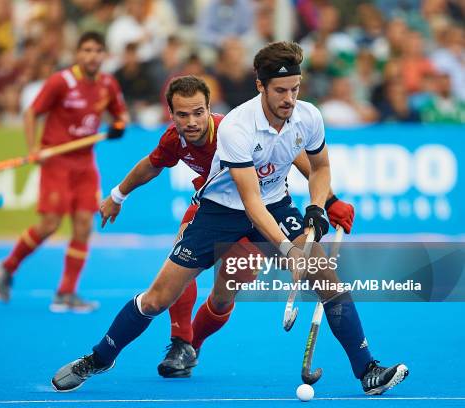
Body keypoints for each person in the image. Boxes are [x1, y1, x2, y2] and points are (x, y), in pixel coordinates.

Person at [51, 42, 409, 395]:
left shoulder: (308, 115)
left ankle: (367, 370)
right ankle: (100, 357)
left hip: (278, 205)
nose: (289, 98)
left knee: (328, 281)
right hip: (221, 211)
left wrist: (320, 203)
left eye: (295, 89)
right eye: (280, 90)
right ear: (260, 87)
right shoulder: (237, 126)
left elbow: (319, 166)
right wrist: (288, 250)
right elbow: (250, 203)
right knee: (157, 298)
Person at [99, 75, 355, 378]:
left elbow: (298, 155)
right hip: (211, 209)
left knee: (224, 295)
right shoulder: (175, 137)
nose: (192, 122)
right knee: (180, 263)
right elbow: (152, 164)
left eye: (198, 113)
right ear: (172, 114)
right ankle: (180, 341)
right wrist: (118, 195)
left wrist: (330, 199)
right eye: (183, 114)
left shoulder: (231, 129)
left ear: (209, 109)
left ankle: (195, 342)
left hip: (260, 210)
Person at [0, 31, 129, 312]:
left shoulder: (107, 83)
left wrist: (118, 126)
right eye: (87, 50)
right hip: (57, 162)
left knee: (83, 226)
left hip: (85, 164)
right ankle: (7, 266)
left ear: (104, 55)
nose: (92, 56)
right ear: (78, 53)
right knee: (50, 225)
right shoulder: (61, 81)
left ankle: (66, 292)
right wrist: (33, 148)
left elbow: (121, 116)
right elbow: (31, 113)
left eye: (97, 51)